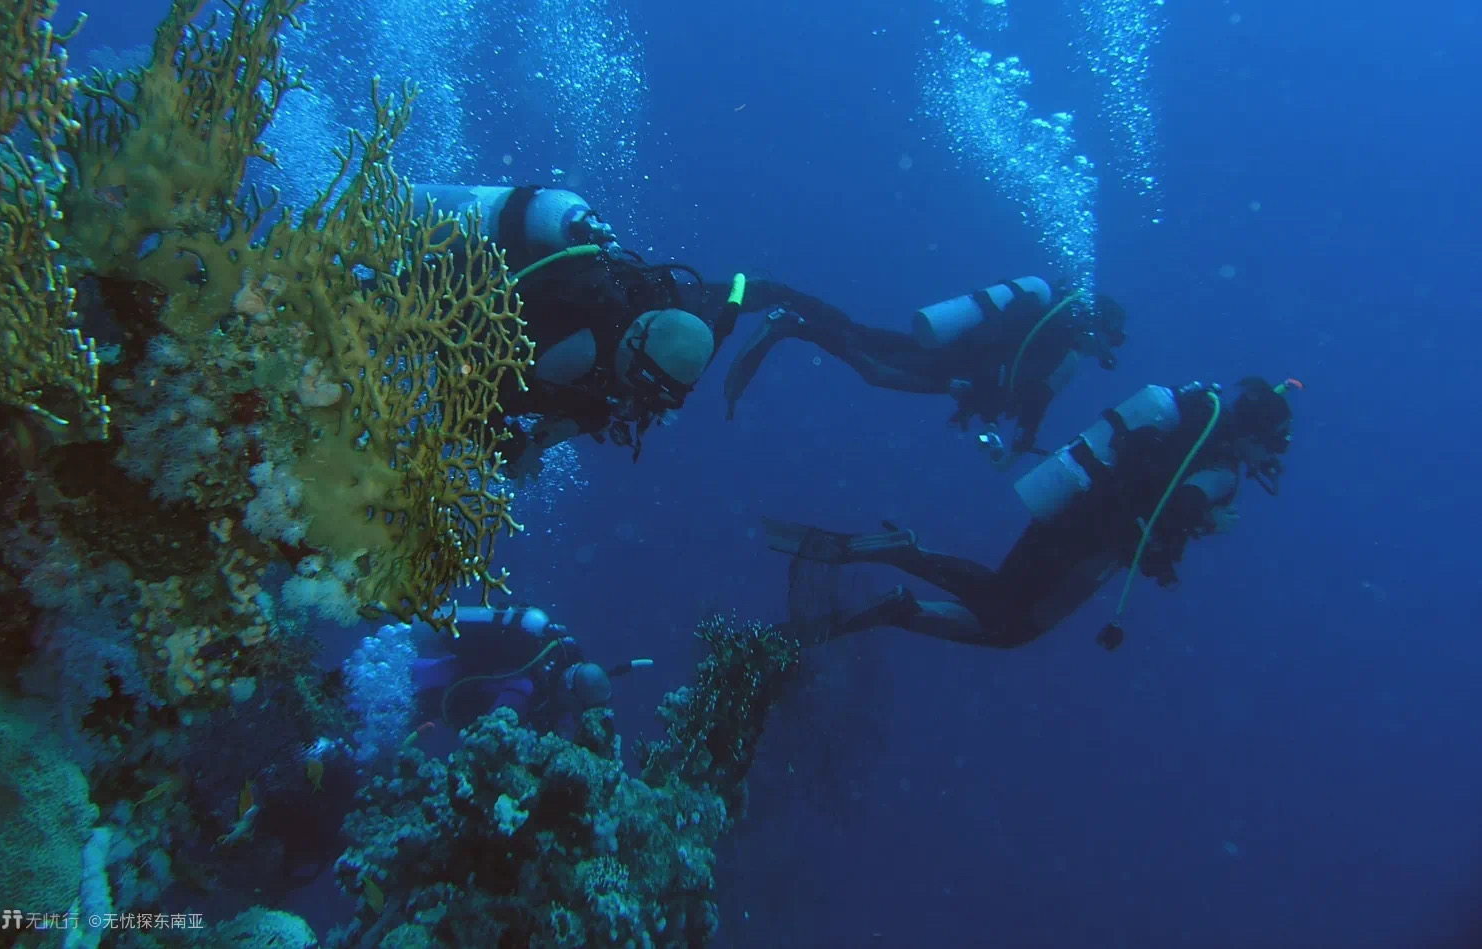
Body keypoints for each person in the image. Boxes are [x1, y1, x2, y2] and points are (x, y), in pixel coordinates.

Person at [763, 376, 1301, 652]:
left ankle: (904, 568)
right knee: (1012, 629)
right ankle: (901, 584)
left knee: (1000, 598)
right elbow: (1181, 506)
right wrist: (1204, 521)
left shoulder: (1189, 418)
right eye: (1271, 449)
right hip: (1097, 545)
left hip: (1073, 505)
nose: (1267, 462)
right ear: (1256, 437)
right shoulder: (1224, 465)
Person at [414, 182, 813, 472]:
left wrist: (570, 425)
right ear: (636, 344)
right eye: (642, 386)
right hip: (437, 296)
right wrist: (511, 447)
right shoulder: (576, 348)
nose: (637, 401)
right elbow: (463, 391)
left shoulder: (665, 311)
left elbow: (611, 402)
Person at [723, 276, 1129, 466]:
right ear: (1098, 326)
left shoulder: (1061, 339)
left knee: (864, 337)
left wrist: (1025, 435)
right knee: (877, 368)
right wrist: (983, 390)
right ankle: (792, 321)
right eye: (1109, 341)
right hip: (955, 367)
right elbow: (1006, 355)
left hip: (954, 357)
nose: (1104, 352)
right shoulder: (1056, 332)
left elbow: (1035, 393)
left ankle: (786, 298)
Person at [410, 603, 652, 733]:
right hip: (426, 689)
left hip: (433, 675)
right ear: (570, 694)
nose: (574, 718)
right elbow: (488, 735)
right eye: (578, 711)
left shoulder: (558, 661)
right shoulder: (523, 689)